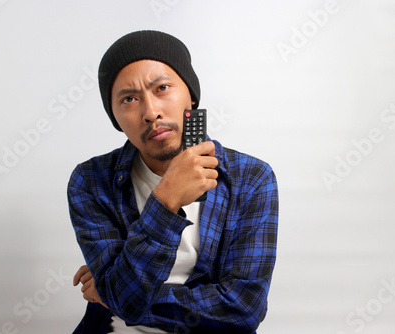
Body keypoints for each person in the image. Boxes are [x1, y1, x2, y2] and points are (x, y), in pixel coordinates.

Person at [68, 30, 278, 333]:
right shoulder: (90, 181)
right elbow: (122, 300)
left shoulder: (251, 178)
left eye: (162, 88)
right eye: (129, 98)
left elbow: (243, 309)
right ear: (115, 117)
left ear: (191, 96)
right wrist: (166, 200)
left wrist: (113, 292)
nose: (151, 112)